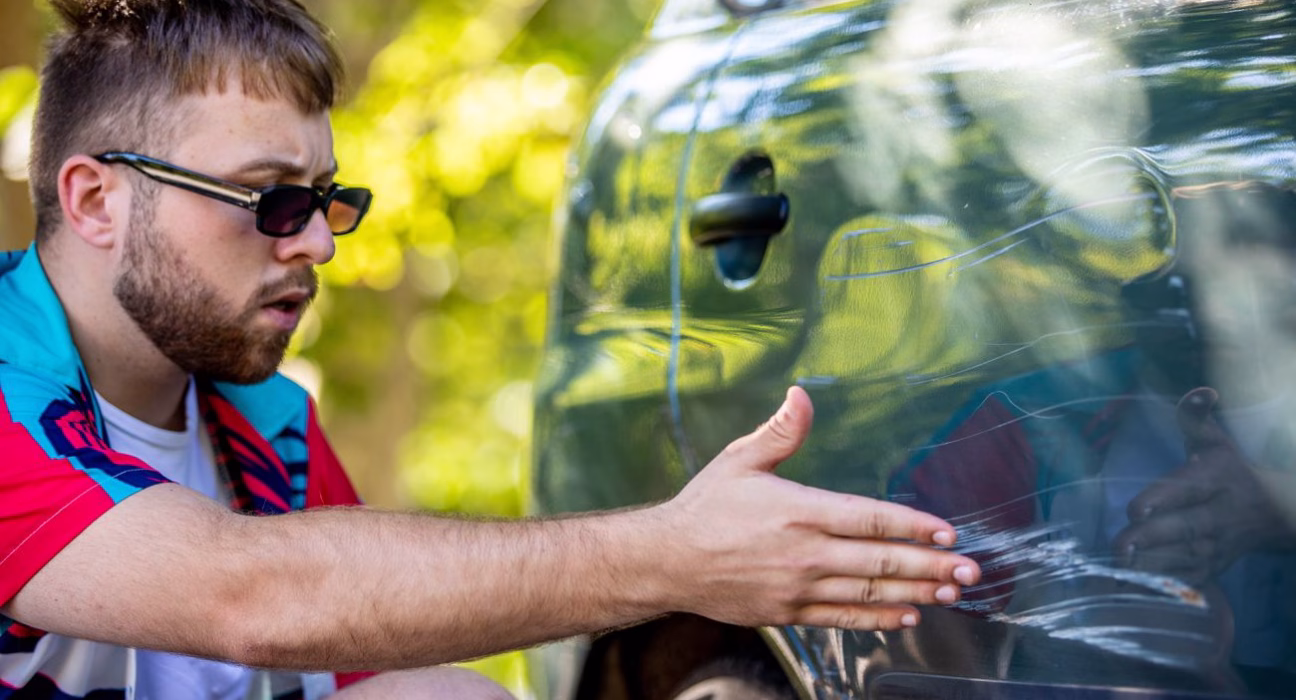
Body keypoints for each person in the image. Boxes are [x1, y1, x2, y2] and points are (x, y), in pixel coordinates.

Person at [0, 1, 982, 698]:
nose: (316, 242)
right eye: (271, 201)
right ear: (96, 199)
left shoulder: (266, 426)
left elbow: (374, 649)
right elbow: (251, 592)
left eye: (328, 199)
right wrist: (679, 555)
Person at [890, 181, 1296, 692]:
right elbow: (918, 607)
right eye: (1172, 262)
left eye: (1239, 254)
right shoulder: (1026, 418)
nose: (1207, 303)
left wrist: (1279, 506)